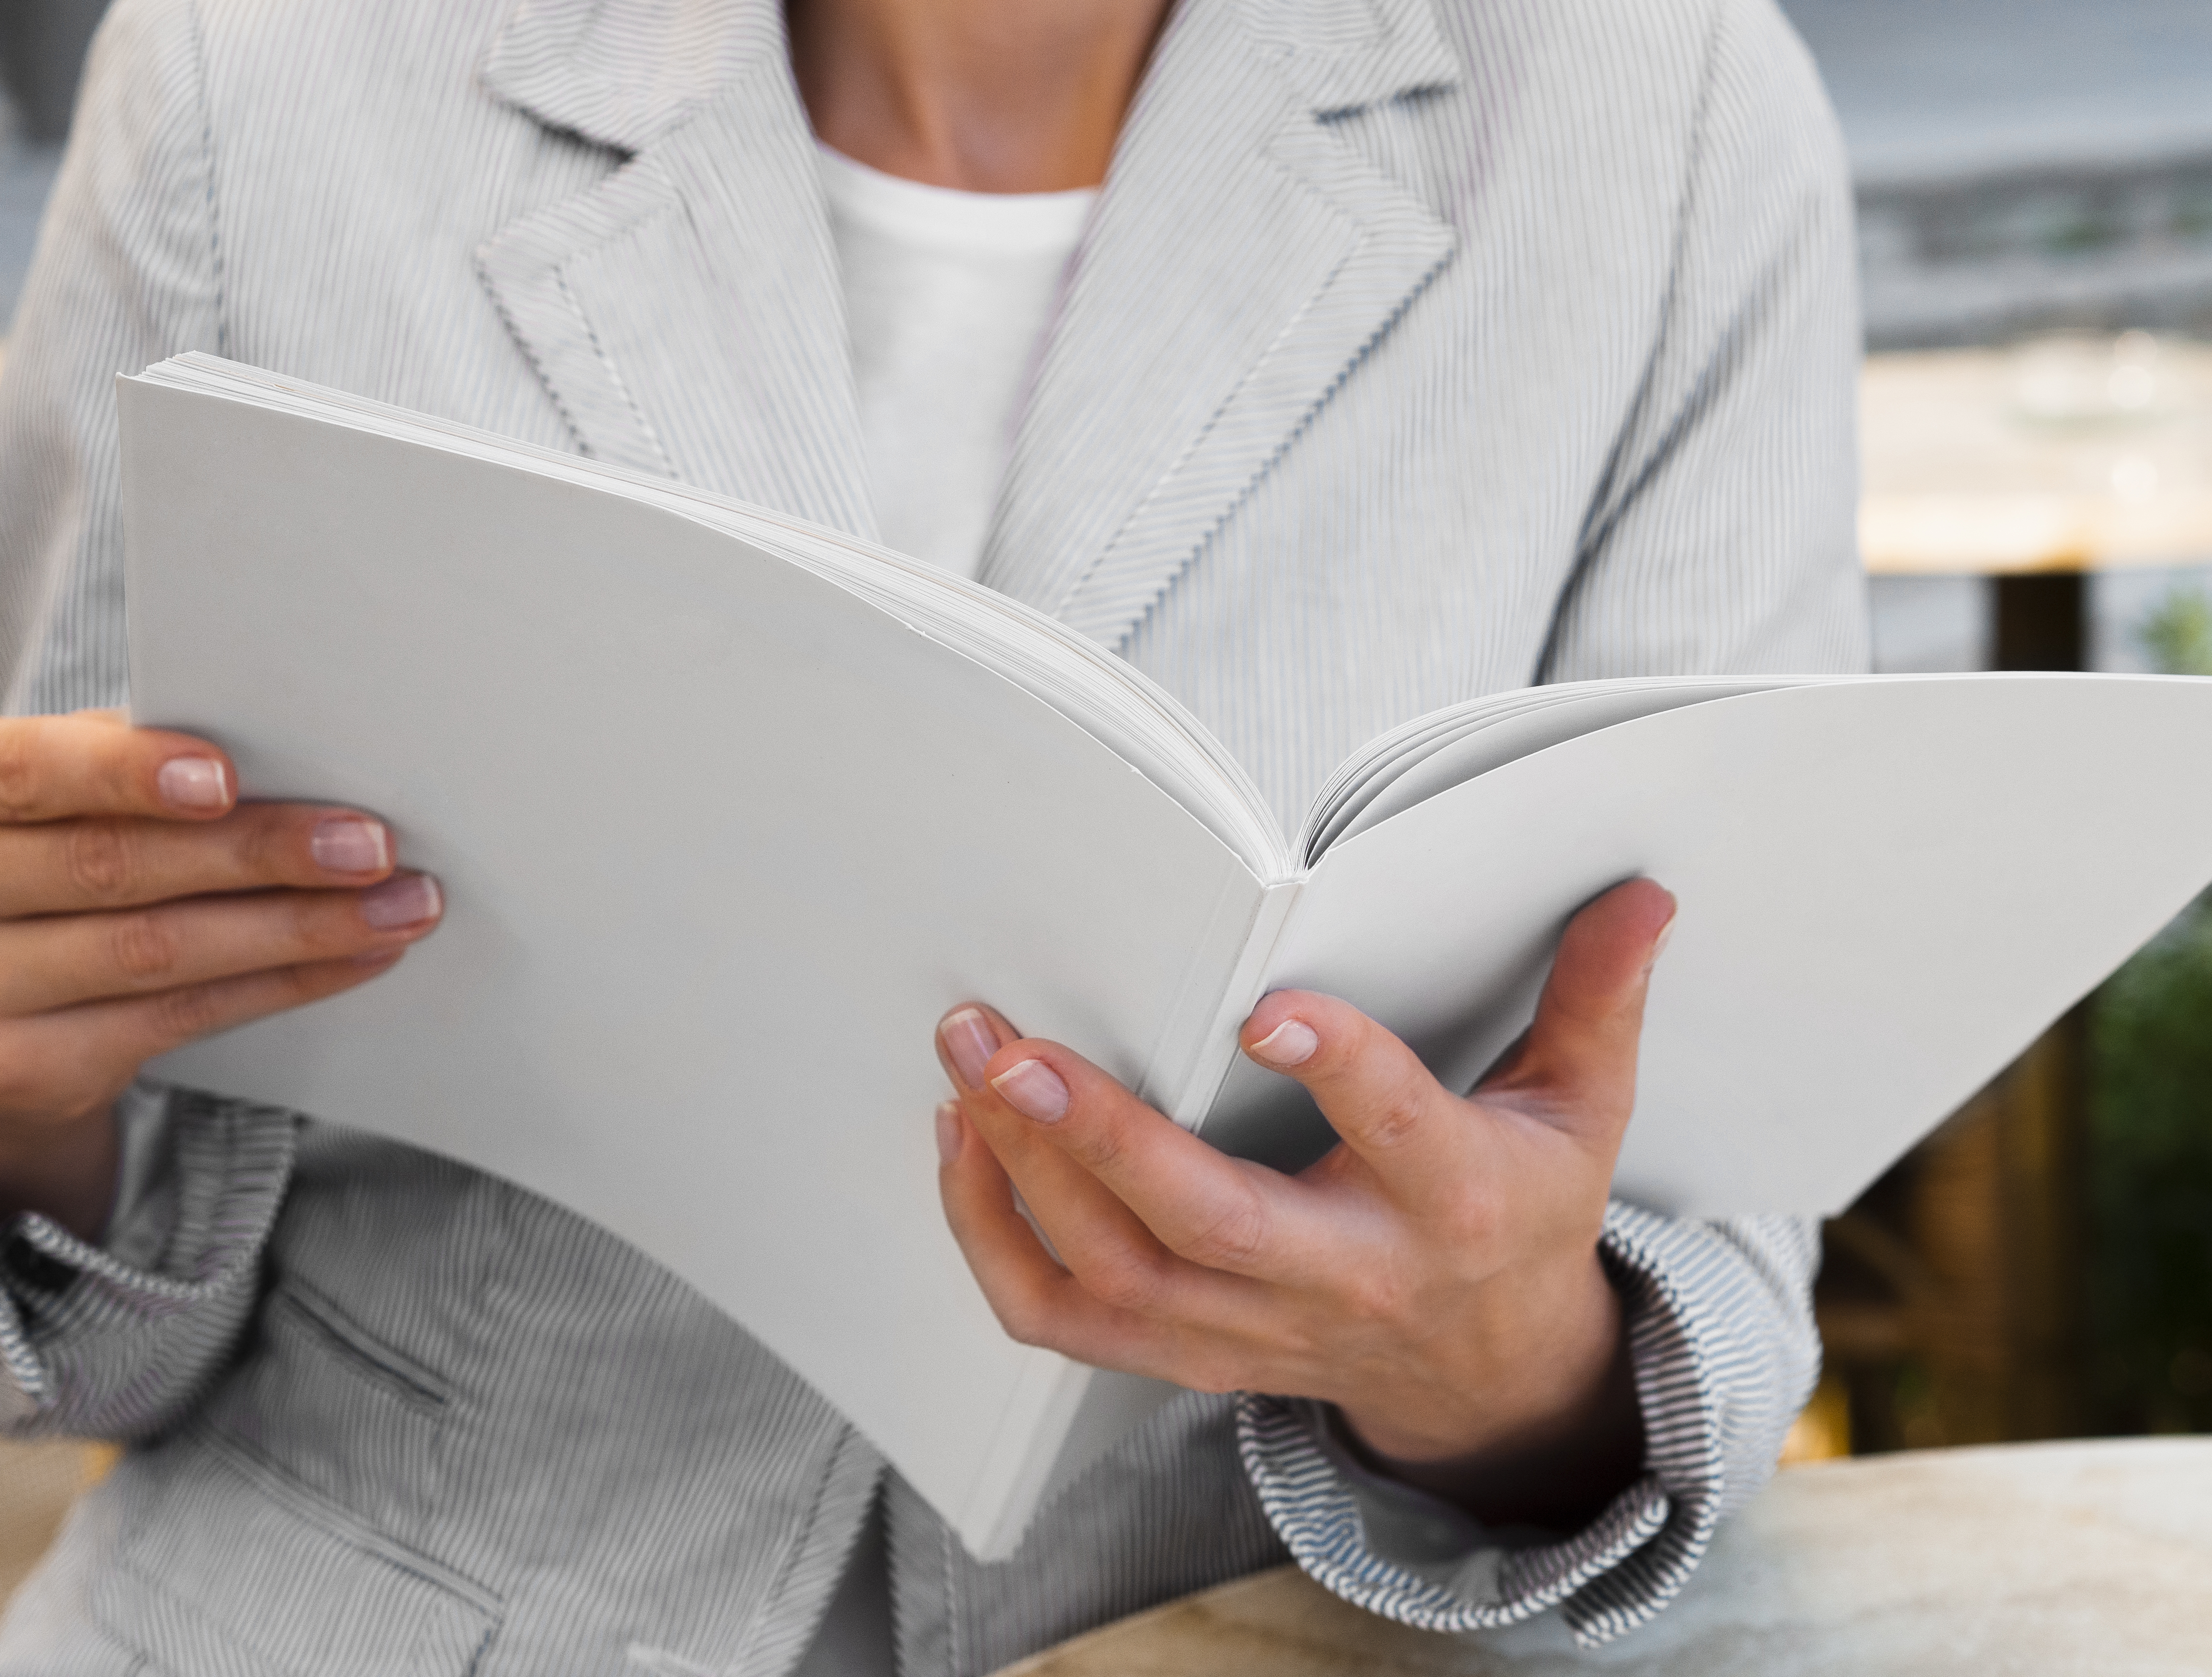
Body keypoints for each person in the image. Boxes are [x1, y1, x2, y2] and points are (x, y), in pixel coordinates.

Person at [0, 0, 1866, 1670]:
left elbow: (1698, 1258)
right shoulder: (254, 79)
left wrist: (1487, 1367)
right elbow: (96, 1318)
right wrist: (37, 1091)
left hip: (1266, 1634)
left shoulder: (1664, 114)